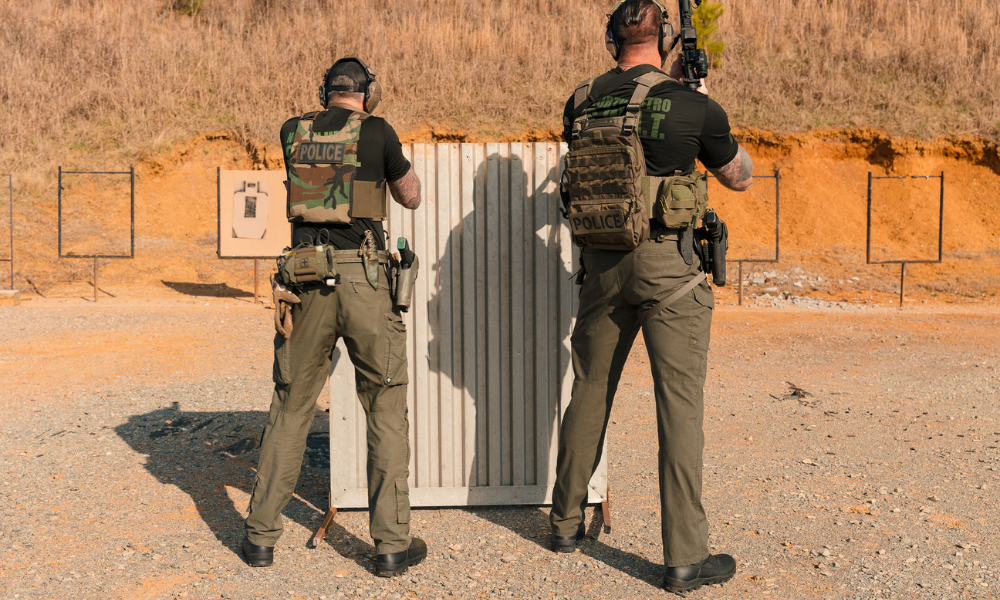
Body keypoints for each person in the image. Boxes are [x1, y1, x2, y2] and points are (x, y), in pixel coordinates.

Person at [550, 0, 754, 593]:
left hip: (600, 264)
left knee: (588, 392)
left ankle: (564, 525)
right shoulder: (693, 104)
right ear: (664, 38)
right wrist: (701, 97)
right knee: (678, 408)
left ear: (611, 38)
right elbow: (739, 175)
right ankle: (684, 559)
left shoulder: (580, 100)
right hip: (671, 269)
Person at [241, 57, 427, 578]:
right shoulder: (378, 132)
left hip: (304, 280)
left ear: (325, 91)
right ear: (369, 92)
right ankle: (391, 546)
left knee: (291, 404)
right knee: (385, 407)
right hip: (366, 281)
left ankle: (260, 538)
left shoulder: (290, 132)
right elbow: (411, 197)